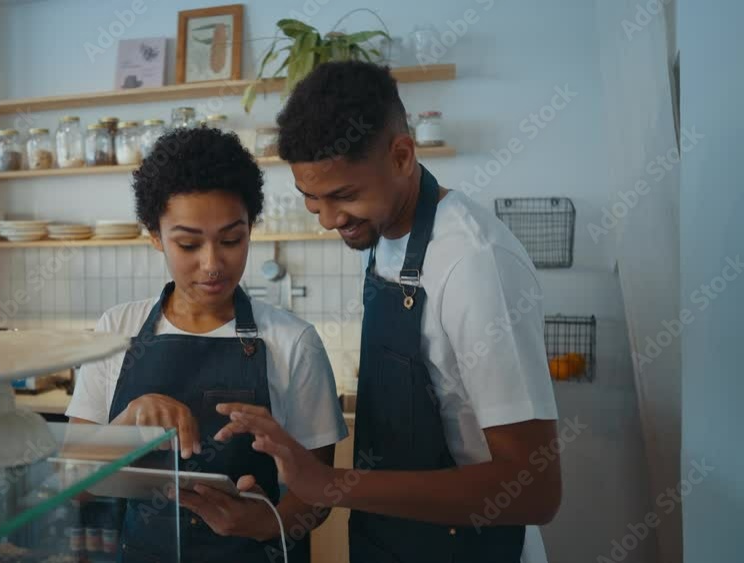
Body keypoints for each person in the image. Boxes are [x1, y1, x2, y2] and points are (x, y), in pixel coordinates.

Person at [215, 61, 562, 563]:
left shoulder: (475, 265)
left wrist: (330, 485)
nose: (330, 220)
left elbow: (535, 489)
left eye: (344, 196)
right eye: (311, 199)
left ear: (402, 156)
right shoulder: (385, 237)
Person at [66, 127, 348, 562]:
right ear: (155, 235)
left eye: (232, 240)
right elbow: (71, 487)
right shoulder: (116, 329)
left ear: (250, 228)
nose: (213, 264)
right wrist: (125, 425)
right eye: (188, 243)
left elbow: (319, 496)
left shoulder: (294, 343)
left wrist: (258, 523)